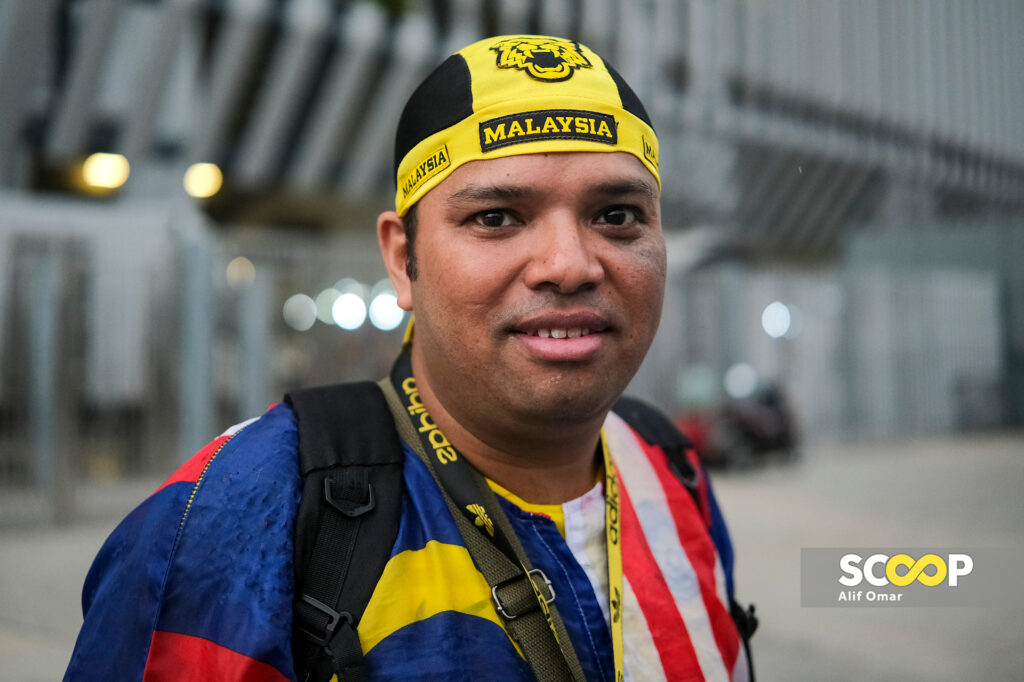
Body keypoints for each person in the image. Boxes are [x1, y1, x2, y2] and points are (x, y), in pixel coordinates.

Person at [65, 34, 752, 681]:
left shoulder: (670, 472)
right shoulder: (239, 517)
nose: (568, 266)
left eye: (617, 216)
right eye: (496, 218)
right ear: (403, 258)